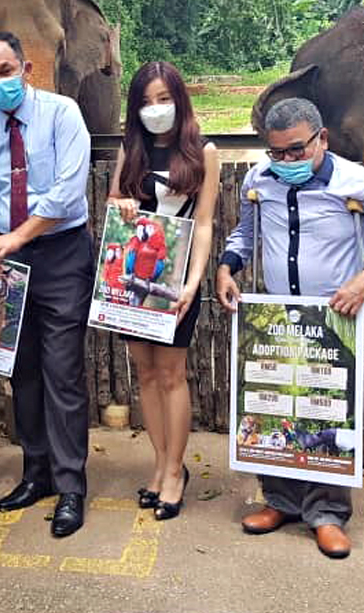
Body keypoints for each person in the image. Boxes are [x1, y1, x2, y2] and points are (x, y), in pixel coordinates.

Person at [216, 97, 364, 559]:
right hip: (278, 319)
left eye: (296, 150)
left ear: (321, 139)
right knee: (278, 409)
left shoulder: (358, 183)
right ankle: (281, 501)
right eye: (277, 153)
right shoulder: (258, 181)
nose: (286, 161)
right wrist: (228, 268)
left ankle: (327, 514)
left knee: (327, 415)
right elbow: (244, 237)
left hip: (335, 317)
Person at [0, 31, 94, 537]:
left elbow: (65, 192)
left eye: (5, 71)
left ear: (27, 69)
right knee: (22, 372)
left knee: (61, 371)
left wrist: (17, 236)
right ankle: (35, 472)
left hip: (60, 254)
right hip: (5, 265)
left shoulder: (62, 114)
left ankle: (71, 486)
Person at [106, 61, 218, 521]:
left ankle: (176, 470)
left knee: (172, 373)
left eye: (164, 99)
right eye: (146, 102)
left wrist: (192, 284)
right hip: (131, 280)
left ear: (180, 100)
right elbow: (113, 204)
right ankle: (158, 463)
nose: (156, 109)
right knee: (145, 372)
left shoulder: (203, 153)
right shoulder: (128, 150)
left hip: (175, 280)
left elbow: (205, 224)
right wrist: (123, 204)